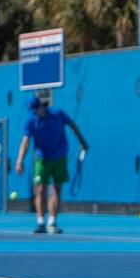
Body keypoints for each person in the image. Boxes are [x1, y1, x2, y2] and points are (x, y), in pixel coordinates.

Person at [13, 90, 88, 235]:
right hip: (42, 159)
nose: (34, 113)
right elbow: (25, 142)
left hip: (60, 157)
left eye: (36, 110)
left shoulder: (58, 114)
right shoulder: (30, 120)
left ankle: (52, 222)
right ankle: (40, 223)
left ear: (41, 106)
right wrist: (19, 161)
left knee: (57, 189)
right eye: (32, 111)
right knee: (40, 190)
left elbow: (72, 126)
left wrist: (82, 142)